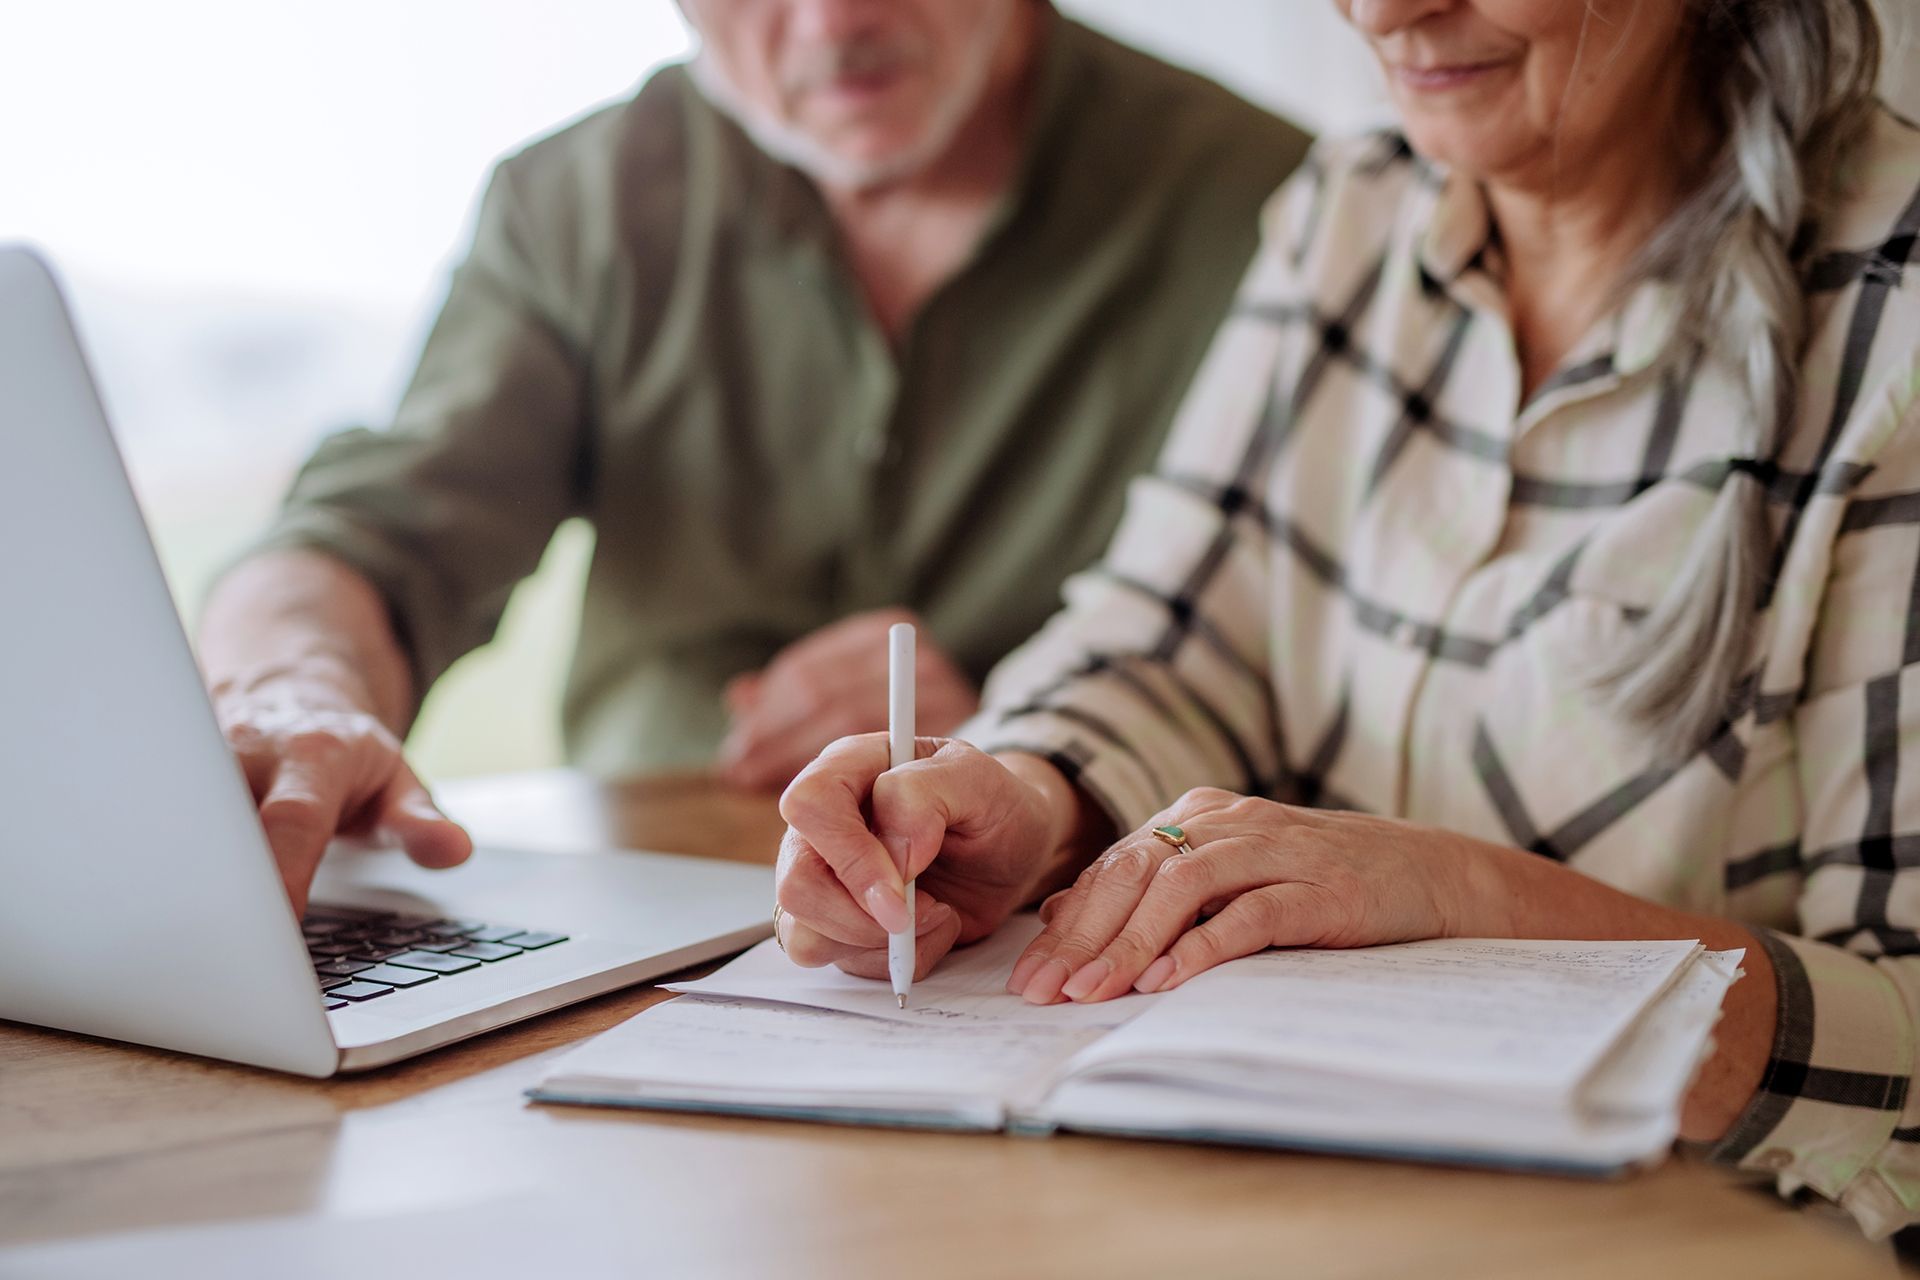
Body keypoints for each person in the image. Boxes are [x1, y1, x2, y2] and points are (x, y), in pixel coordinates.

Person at [773, 0, 1920, 1238]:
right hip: (1297, 1211)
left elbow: (1906, 1037)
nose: (1382, 11)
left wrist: (1469, 896)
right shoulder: (1352, 203)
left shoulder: (1892, 312)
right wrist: (1025, 799)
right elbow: (1166, 635)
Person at [196, 0, 1310, 913]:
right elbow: (379, 533)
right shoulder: (578, 201)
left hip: (1052, 930)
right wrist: (293, 688)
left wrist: (1024, 726)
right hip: (623, 927)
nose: (832, 22)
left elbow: (1317, 690)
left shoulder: (1279, 210)